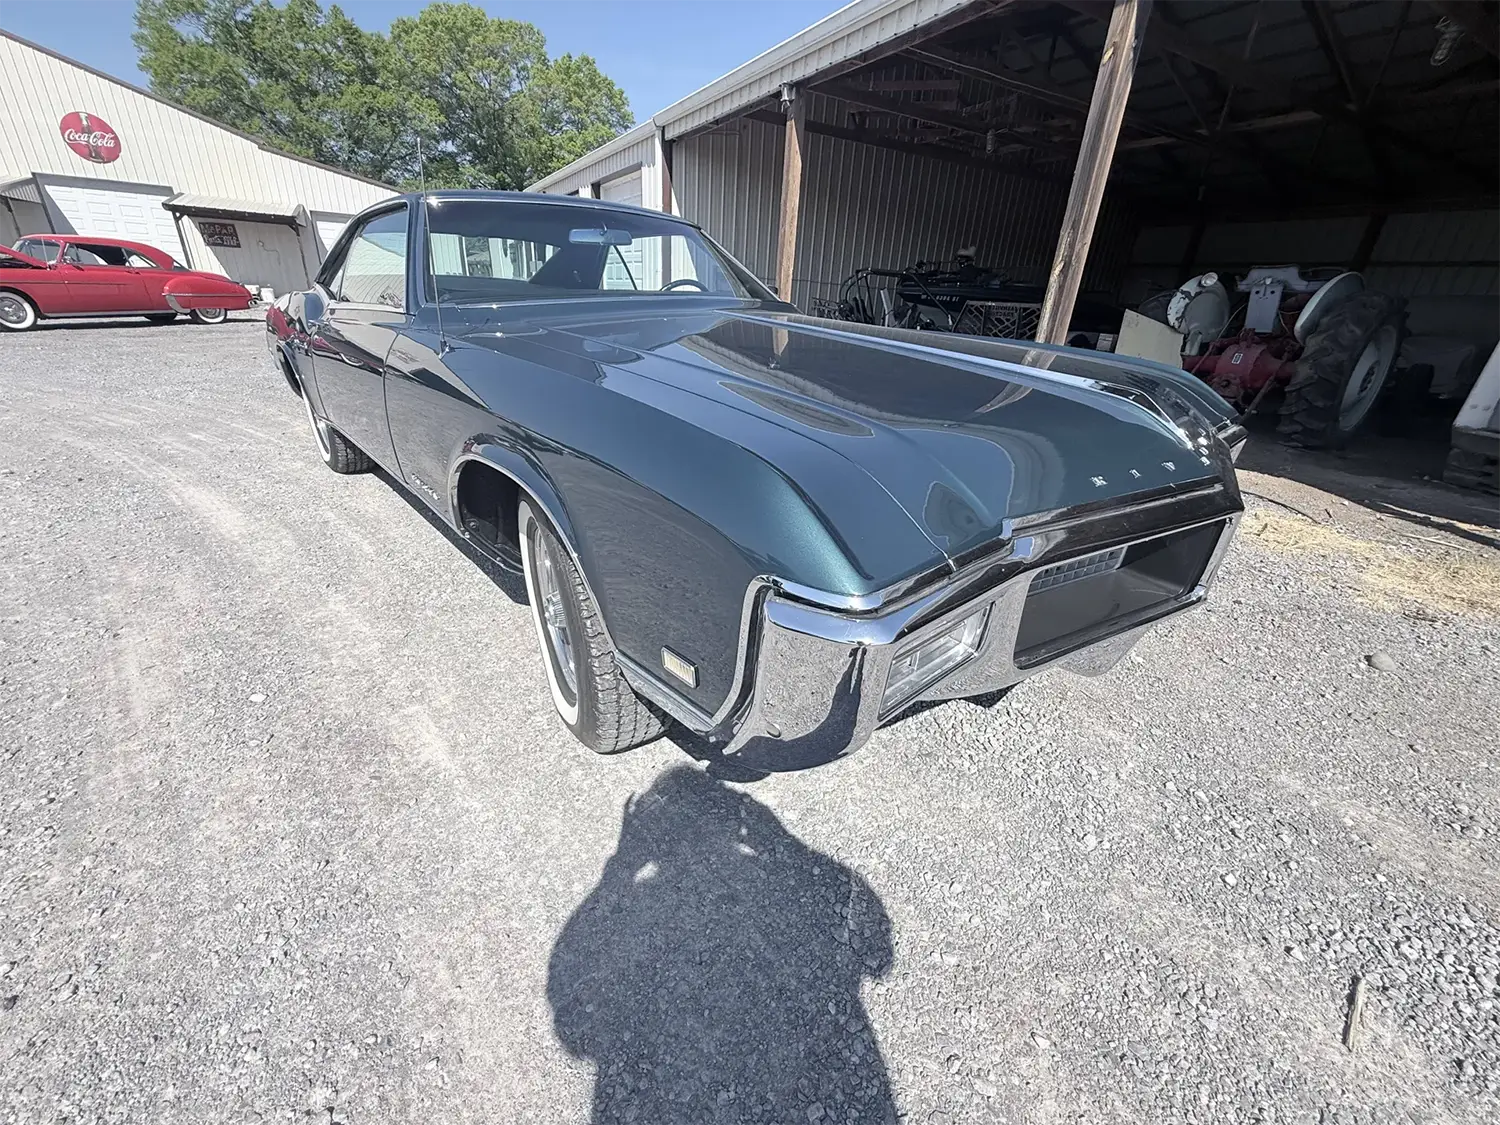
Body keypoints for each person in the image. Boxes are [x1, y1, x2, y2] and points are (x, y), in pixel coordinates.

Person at [547, 766, 896, 1123]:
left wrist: (622, 866)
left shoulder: (641, 897)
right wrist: (783, 842)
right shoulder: (759, 878)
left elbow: (574, 1029)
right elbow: (878, 957)